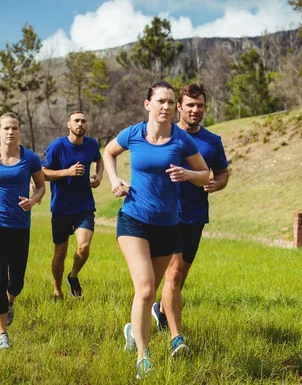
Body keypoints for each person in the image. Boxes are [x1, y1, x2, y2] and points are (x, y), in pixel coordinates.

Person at [103, 80, 209, 379]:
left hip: (168, 224)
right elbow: (108, 152)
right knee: (147, 288)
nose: (165, 106)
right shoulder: (133, 134)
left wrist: (187, 174)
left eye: (170, 101)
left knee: (150, 292)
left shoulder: (181, 140)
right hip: (134, 219)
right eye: (160, 101)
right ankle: (143, 356)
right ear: (147, 104)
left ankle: (132, 330)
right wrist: (114, 179)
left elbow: (205, 175)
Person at [152, 82, 229, 356]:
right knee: (172, 275)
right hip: (166, 215)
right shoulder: (164, 136)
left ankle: (161, 310)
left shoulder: (212, 141)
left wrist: (216, 185)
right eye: (190, 105)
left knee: (180, 276)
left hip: (195, 216)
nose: (195, 110)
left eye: (200, 106)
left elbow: (222, 173)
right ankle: (176, 337)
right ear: (179, 108)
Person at [0, 112, 45, 350]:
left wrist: (32, 201)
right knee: (0, 280)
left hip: (20, 226)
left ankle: (10, 301)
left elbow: (41, 186)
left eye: (15, 128)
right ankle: (2, 334)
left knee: (17, 282)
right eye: (6, 128)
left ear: (19, 131)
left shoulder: (30, 158)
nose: (11, 132)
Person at [42, 111, 103, 299]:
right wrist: (67, 172)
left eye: (84, 121)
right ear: (68, 124)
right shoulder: (57, 146)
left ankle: (73, 276)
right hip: (61, 207)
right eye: (76, 121)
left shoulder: (91, 144)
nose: (80, 124)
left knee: (83, 247)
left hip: (84, 204)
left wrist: (99, 176)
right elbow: (43, 172)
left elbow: (99, 159)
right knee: (60, 253)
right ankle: (57, 290)